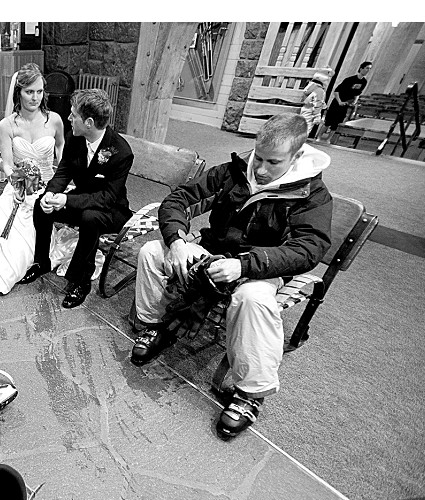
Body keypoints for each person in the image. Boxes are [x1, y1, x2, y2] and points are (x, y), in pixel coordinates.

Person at [129, 113, 333, 440]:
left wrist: (244, 265)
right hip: (213, 250)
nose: (261, 169)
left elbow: (309, 249)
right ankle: (157, 327)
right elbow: (179, 200)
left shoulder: (312, 194)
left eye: (273, 162)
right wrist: (178, 241)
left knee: (252, 299)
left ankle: (250, 393)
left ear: (296, 157)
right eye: (259, 158)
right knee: (153, 253)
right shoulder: (233, 172)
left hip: (263, 266)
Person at [18, 88, 134, 309]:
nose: (69, 118)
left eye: (73, 115)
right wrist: (51, 193)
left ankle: (82, 281)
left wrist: (67, 201)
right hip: (81, 199)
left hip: (112, 210)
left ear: (89, 122)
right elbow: (63, 171)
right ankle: (41, 262)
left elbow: (108, 197)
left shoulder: (121, 152)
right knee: (41, 206)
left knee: (90, 218)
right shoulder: (76, 138)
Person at [0, 63, 65, 294]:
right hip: (18, 185)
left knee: (35, 219)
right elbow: (6, 162)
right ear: (19, 93)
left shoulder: (54, 120)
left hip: (47, 186)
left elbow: (61, 148)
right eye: (29, 92)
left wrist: (60, 181)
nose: (35, 97)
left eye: (40, 91)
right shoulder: (7, 125)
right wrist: (17, 181)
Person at [317, 61, 372, 142]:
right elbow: (336, 91)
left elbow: (357, 93)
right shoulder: (349, 79)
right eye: (367, 68)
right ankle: (319, 137)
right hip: (337, 102)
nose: (368, 70)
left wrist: (354, 102)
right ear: (361, 68)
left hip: (346, 103)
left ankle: (328, 139)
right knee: (328, 121)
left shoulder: (364, 82)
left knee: (336, 123)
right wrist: (339, 101)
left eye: (369, 69)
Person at [299, 71, 329, 137]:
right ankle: (300, 141)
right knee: (307, 128)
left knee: (301, 126)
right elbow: (318, 103)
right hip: (312, 111)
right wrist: (317, 116)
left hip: (305, 108)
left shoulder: (309, 87)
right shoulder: (320, 90)